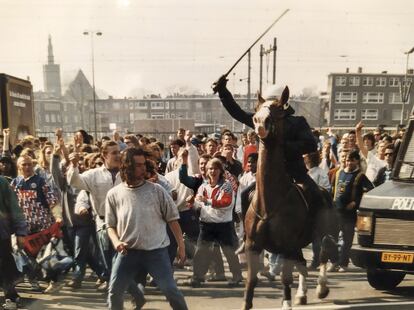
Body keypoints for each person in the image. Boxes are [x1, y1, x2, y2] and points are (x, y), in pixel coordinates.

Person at [213, 75, 320, 252]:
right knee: (246, 193)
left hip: (294, 173)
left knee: (315, 193)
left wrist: (283, 146)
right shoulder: (261, 119)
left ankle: (323, 233)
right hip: (269, 176)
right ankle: (248, 235)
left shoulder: (298, 122)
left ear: (282, 104)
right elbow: (238, 112)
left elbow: (310, 144)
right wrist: (223, 92)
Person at [106, 148, 188, 310]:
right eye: (138, 165)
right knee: (114, 292)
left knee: (171, 290)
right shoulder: (114, 194)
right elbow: (110, 226)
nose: (143, 168)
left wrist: (181, 245)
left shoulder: (157, 191)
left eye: (144, 165)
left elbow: (173, 220)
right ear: (126, 166)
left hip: (156, 252)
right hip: (127, 253)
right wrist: (116, 242)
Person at [186, 158, 242, 287]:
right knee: (201, 251)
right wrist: (191, 203)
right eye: (210, 168)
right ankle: (197, 277)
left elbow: (226, 203)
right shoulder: (203, 186)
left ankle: (237, 277)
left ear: (220, 170)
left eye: (215, 168)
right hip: (206, 224)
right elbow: (199, 206)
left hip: (224, 224)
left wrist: (207, 201)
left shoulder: (226, 185)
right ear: (206, 171)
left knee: (229, 251)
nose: (212, 171)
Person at [330, 150, 373, 272]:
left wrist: (355, 202)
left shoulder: (360, 176)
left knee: (347, 240)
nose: (348, 163)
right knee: (331, 238)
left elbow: (370, 189)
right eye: (347, 160)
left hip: (349, 214)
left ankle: (343, 263)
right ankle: (334, 262)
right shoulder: (338, 173)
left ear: (357, 161)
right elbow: (332, 189)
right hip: (336, 211)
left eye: (351, 160)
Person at [0, 176, 27, 310]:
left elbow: (14, 208)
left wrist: (20, 232)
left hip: (1, 235)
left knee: (5, 266)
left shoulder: (2, 182)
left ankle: (10, 297)